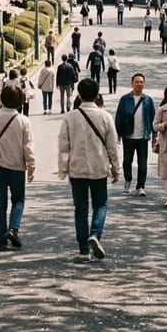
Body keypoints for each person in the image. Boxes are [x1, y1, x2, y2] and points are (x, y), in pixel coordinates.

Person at [58, 78, 119, 262]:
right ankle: (95, 234)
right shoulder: (105, 116)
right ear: (97, 94)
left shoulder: (70, 117)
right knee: (100, 204)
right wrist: (116, 169)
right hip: (99, 167)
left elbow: (63, 146)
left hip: (77, 168)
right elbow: (112, 146)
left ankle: (83, 249)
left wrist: (63, 169)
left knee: (81, 209)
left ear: (79, 94)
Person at [0, 85, 36, 250]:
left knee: (0, 203)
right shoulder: (23, 120)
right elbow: (28, 146)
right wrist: (31, 166)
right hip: (17, 167)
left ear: (2, 98)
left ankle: (1, 237)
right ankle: (13, 228)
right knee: (18, 200)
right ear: (20, 100)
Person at [114, 73, 155, 196]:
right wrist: (119, 134)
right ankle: (128, 180)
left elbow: (153, 117)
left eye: (141, 82)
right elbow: (119, 117)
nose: (139, 84)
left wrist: (155, 135)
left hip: (143, 136)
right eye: (137, 82)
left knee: (142, 163)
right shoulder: (125, 99)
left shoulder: (148, 100)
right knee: (127, 161)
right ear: (132, 83)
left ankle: (141, 186)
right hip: (128, 135)